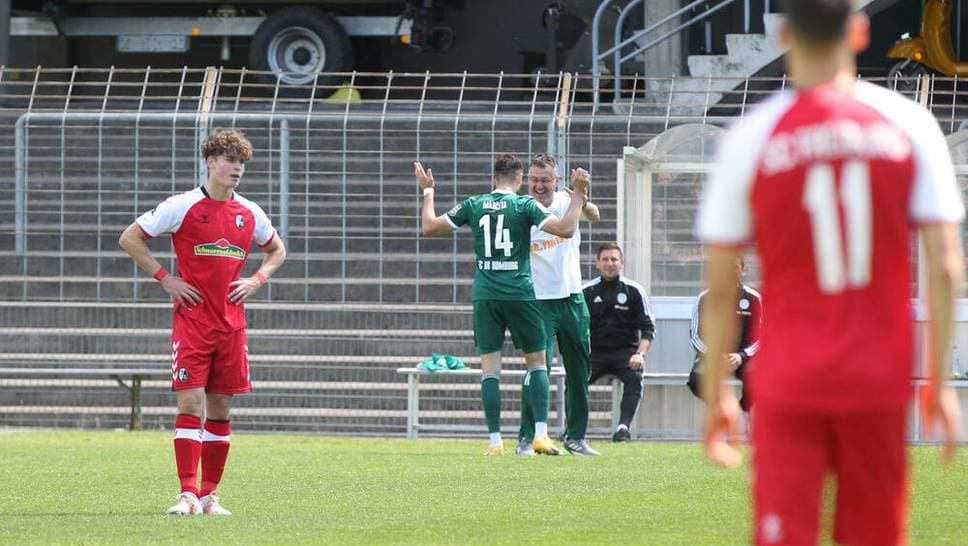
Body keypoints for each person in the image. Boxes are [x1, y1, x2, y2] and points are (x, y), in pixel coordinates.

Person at [697, 1, 964, 544]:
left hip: (789, 377)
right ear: (862, 31)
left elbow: (722, 286)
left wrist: (721, 393)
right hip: (878, 375)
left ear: (784, 34)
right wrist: (939, 381)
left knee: (785, 533)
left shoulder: (751, 136)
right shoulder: (909, 125)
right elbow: (945, 266)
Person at [118, 129, 287, 516]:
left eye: (241, 162)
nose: (236, 168)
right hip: (193, 322)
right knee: (191, 401)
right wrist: (167, 278)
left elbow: (277, 250)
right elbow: (130, 238)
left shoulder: (250, 212)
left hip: (232, 324)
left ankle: (210, 496)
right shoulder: (182, 206)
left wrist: (256, 279)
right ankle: (187, 494)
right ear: (210, 162)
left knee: (222, 406)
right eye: (229, 160)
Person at [415, 154, 589, 456]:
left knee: (490, 370)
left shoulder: (474, 203)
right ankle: (539, 435)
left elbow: (429, 227)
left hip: (486, 294)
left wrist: (428, 190)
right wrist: (578, 194)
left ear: (493, 178)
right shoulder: (524, 205)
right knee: (537, 364)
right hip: (521, 293)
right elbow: (566, 229)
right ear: (520, 180)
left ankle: (495, 442)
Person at [517, 153, 601, 457]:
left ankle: (576, 436)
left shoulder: (568, 201)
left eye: (545, 179)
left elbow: (594, 216)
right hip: (537, 301)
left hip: (572, 298)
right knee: (538, 370)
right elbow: (565, 229)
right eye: (534, 179)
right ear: (527, 179)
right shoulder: (521, 209)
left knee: (580, 371)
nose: (539, 185)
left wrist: (582, 196)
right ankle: (527, 438)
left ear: (557, 180)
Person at [582, 243, 656, 442]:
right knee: (576, 377)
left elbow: (648, 328)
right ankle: (575, 430)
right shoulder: (586, 292)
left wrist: (639, 354)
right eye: (605, 259)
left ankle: (623, 428)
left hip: (626, 352)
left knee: (635, 376)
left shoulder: (634, 290)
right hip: (594, 353)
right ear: (597, 263)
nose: (610, 264)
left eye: (614, 259)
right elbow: (577, 328)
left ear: (621, 263)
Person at [687, 257, 762, 412]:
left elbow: (761, 337)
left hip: (743, 357)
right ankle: (721, 412)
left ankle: (740, 413)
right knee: (696, 379)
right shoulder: (705, 297)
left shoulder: (754, 299)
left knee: (760, 379)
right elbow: (695, 335)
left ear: (743, 271)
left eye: (735, 267)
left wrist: (741, 356)